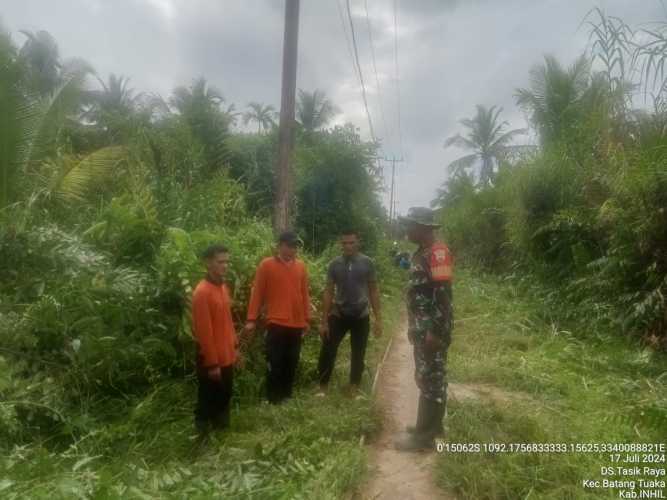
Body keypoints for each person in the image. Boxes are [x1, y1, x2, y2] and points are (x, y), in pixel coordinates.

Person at [394, 207, 454, 451]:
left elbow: (443, 297)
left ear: (424, 229)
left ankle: (423, 438)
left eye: (411, 225)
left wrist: (436, 331)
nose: (407, 229)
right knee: (431, 376)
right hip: (422, 327)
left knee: (430, 378)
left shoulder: (437, 254)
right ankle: (431, 426)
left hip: (431, 329)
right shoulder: (421, 253)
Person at [244, 230, 311, 404]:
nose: (292, 249)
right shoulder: (266, 265)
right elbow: (257, 293)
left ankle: (287, 395)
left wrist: (306, 319)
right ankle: (273, 397)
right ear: (280, 245)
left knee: (292, 360)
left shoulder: (301, 266)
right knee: (275, 360)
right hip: (276, 321)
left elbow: (304, 294)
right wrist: (251, 319)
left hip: (296, 323)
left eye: (295, 246)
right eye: (289, 245)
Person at [317, 230, 382, 396]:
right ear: (341, 244)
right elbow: (328, 291)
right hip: (339, 314)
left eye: (351, 242)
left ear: (358, 242)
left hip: (361, 314)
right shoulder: (334, 264)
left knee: (358, 352)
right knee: (328, 349)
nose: (348, 246)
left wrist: (378, 319)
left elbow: (374, 290)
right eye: (344, 243)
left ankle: (354, 386)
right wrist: (324, 321)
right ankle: (322, 387)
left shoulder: (367, 263)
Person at [191, 244, 241, 436]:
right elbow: (204, 332)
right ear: (208, 263)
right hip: (211, 359)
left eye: (227, 262)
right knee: (207, 398)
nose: (225, 266)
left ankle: (222, 433)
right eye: (220, 262)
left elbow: (227, 322)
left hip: (227, 354)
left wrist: (235, 347)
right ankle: (201, 438)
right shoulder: (202, 293)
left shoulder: (222, 287)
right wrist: (212, 364)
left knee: (225, 395)